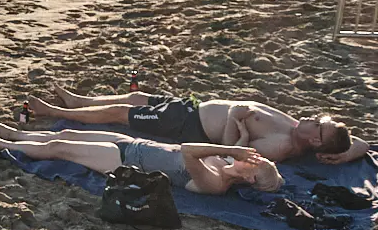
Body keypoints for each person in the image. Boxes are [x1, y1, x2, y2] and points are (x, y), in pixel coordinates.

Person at [26, 91, 363, 165]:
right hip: (192, 107)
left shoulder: (283, 146)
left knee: (122, 113)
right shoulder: (298, 129)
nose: (315, 117)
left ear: (316, 140)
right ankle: (81, 101)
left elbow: (232, 151)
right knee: (137, 96)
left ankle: (53, 110)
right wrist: (346, 157)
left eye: (320, 123)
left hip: (189, 125)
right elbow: (361, 142)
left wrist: (235, 121)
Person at [0, 121, 283, 195]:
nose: (251, 156)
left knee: (58, 147)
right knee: (64, 136)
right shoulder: (230, 164)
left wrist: (231, 151)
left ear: (250, 177)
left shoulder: (215, 184)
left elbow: (189, 151)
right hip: (134, 144)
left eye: (255, 162)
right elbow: (237, 150)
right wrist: (241, 135)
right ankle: (16, 135)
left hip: (122, 162)